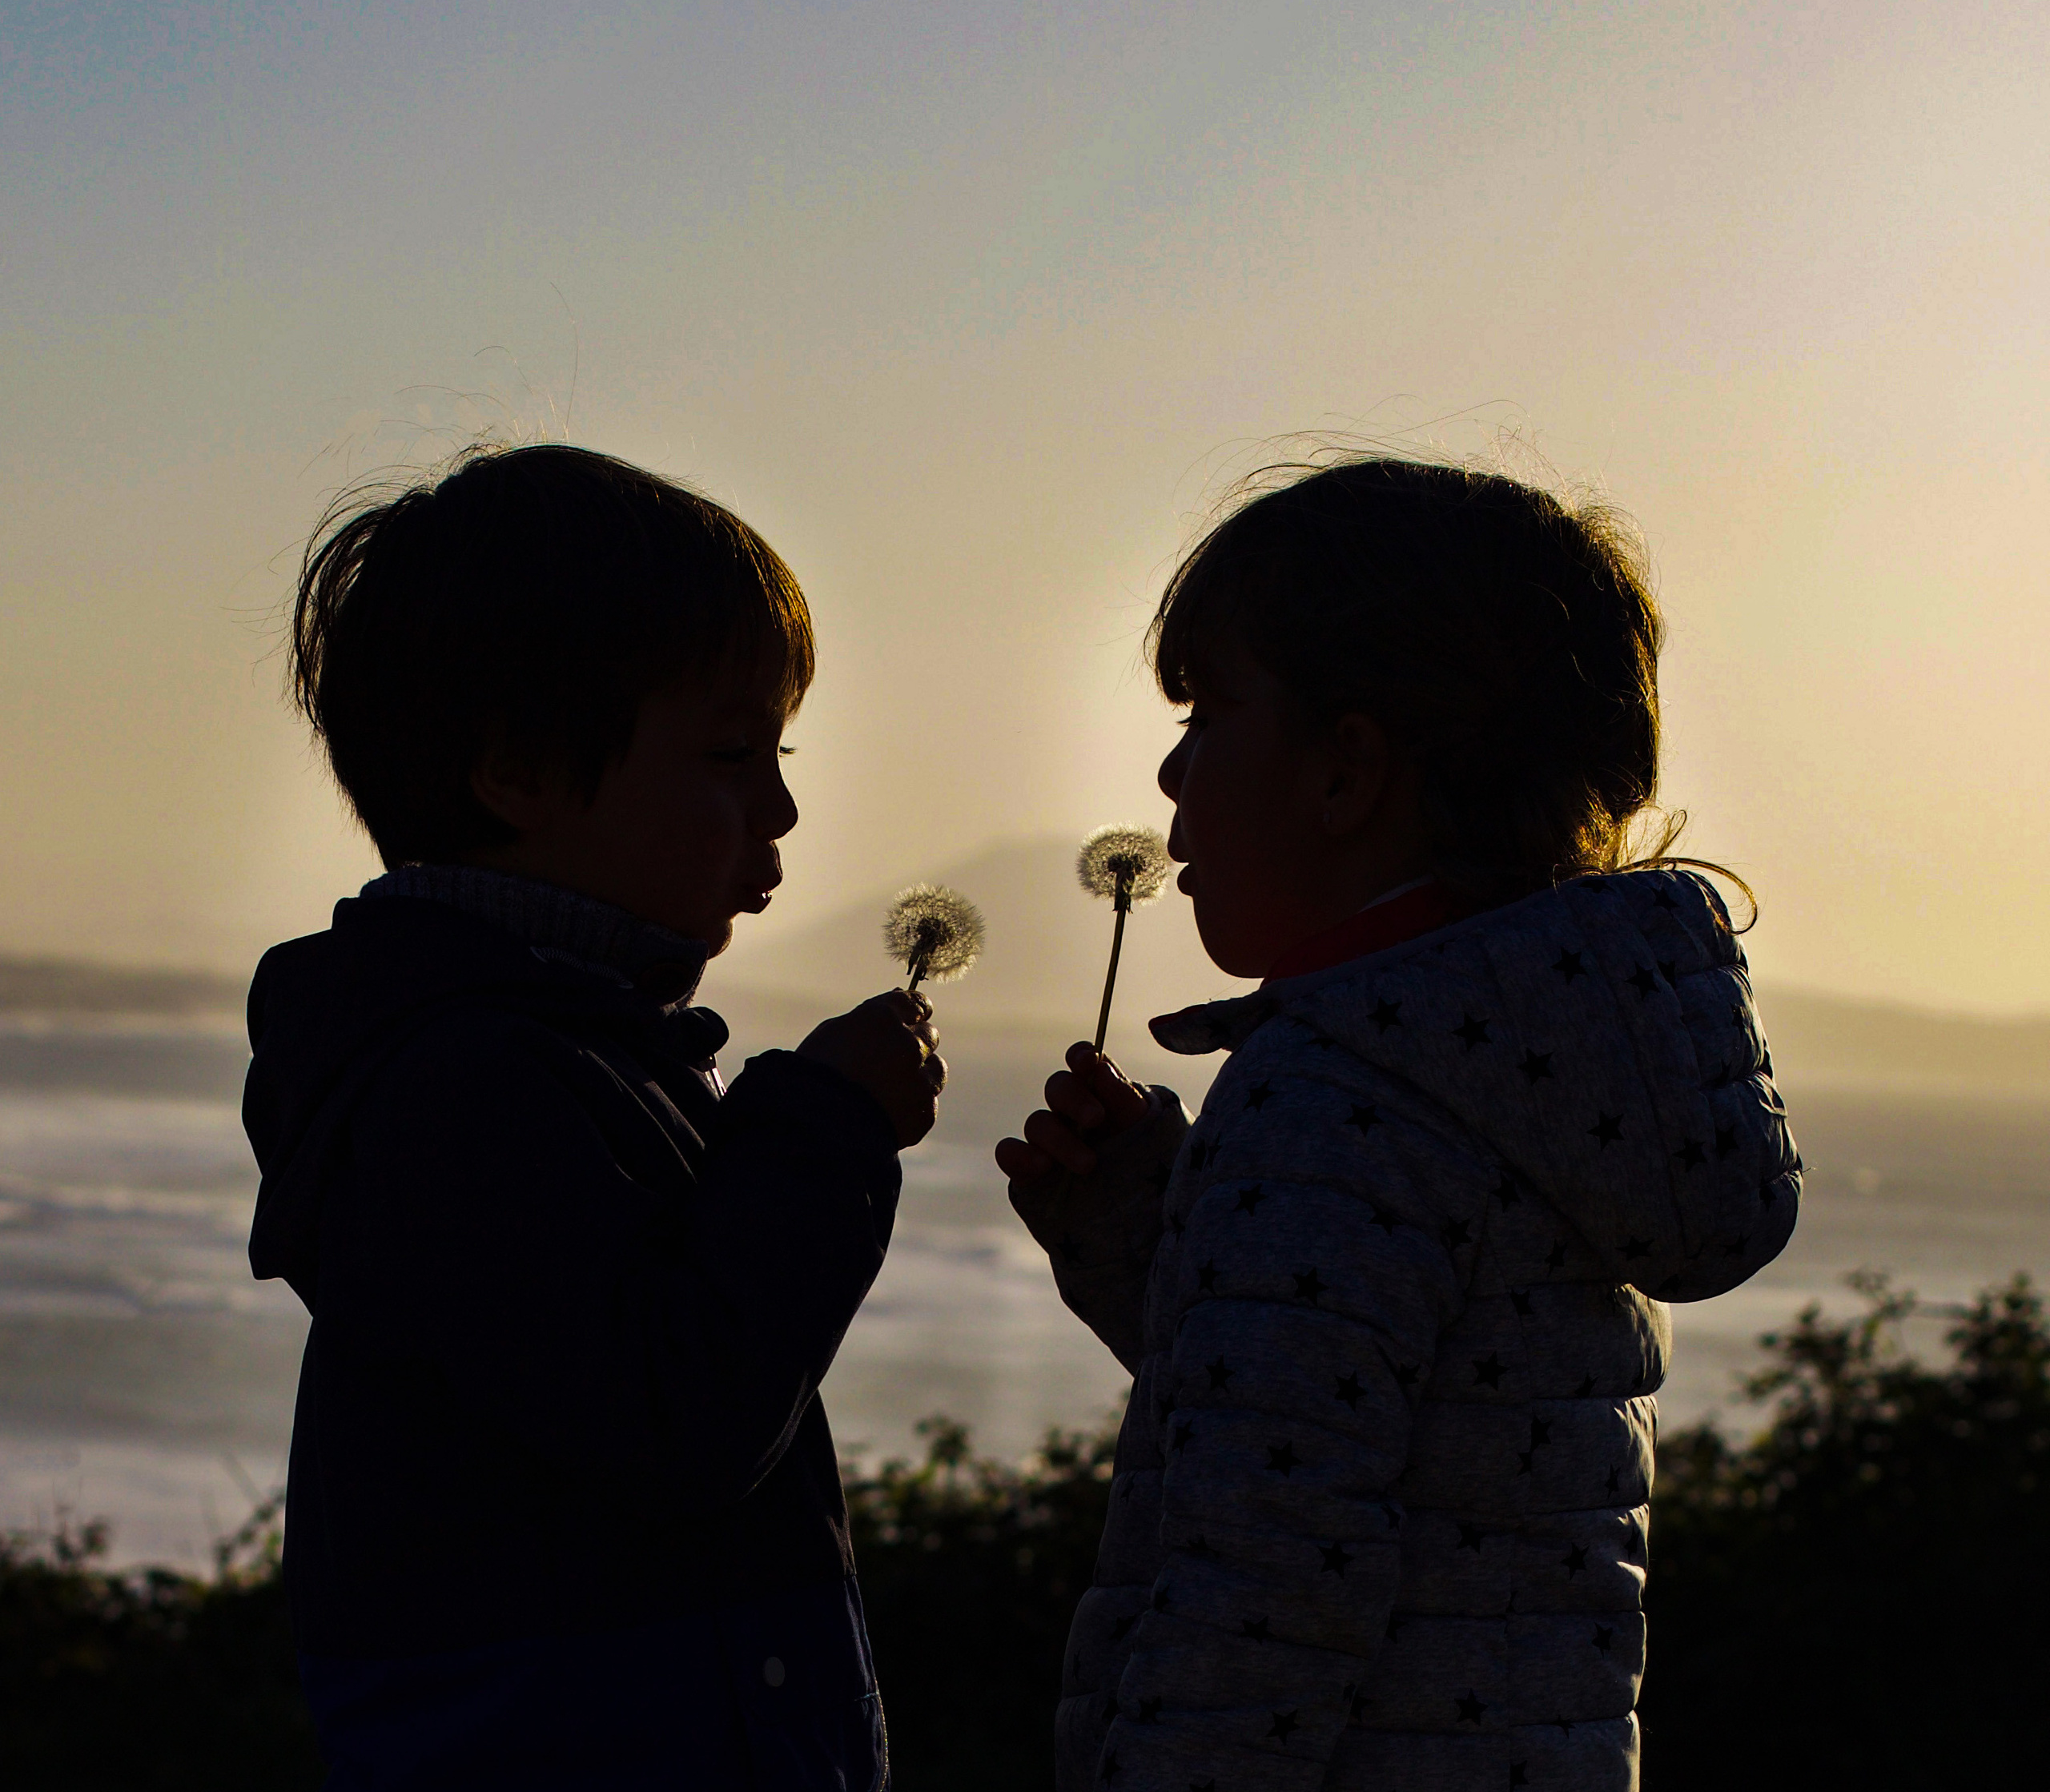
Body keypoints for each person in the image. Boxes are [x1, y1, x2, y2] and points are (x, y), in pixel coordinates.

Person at [997, 457, 1801, 1791]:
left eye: (1208, 713)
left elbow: (1264, 1588)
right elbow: (1385, 1420)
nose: (1170, 767)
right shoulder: (1548, 1073)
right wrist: (1158, 1245)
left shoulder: (1332, 1096)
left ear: (1345, 772)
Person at [243, 443, 933, 1790]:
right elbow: (680, 1413)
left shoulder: (576, 1049)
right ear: (515, 768)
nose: (782, 807)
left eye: (780, 751)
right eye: (731, 754)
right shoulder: (458, 1086)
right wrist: (826, 1127)